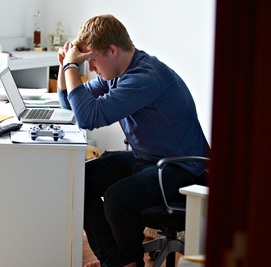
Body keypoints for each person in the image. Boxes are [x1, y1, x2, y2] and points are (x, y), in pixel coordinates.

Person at [57, 14, 210, 267]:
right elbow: (70, 105)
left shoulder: (145, 77)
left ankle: (127, 263)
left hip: (180, 168)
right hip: (148, 158)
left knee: (118, 199)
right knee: (79, 179)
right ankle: (115, 260)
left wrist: (71, 68)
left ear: (112, 50)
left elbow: (87, 117)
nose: (92, 68)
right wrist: (65, 65)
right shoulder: (119, 71)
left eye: (92, 61)